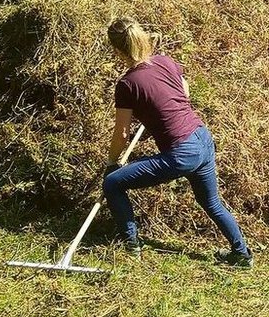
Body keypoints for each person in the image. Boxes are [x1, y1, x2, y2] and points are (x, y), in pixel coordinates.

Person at [100, 17, 252, 267]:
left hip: (182, 152)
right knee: (211, 202)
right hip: (202, 138)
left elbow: (122, 134)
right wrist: (156, 118)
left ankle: (130, 246)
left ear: (117, 51)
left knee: (113, 183)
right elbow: (184, 92)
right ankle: (241, 254)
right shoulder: (165, 61)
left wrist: (111, 162)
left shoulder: (127, 84)